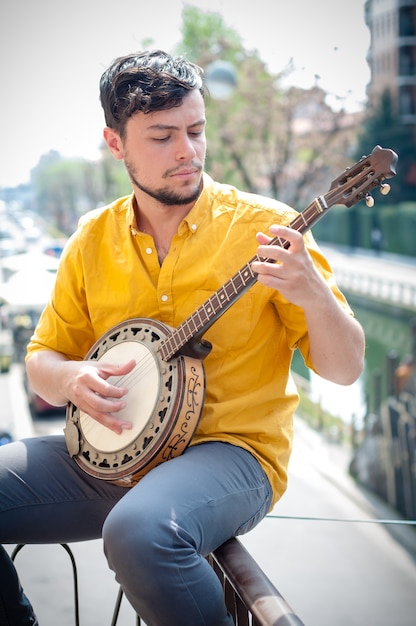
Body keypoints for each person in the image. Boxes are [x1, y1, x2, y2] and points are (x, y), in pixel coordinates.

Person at [0, 50, 365, 626]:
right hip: (112, 455)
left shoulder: (269, 228)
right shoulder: (91, 239)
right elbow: (41, 359)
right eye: (162, 136)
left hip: (233, 455)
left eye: (195, 131)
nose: (186, 151)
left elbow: (345, 370)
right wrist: (71, 378)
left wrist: (313, 292)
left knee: (141, 532)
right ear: (115, 143)